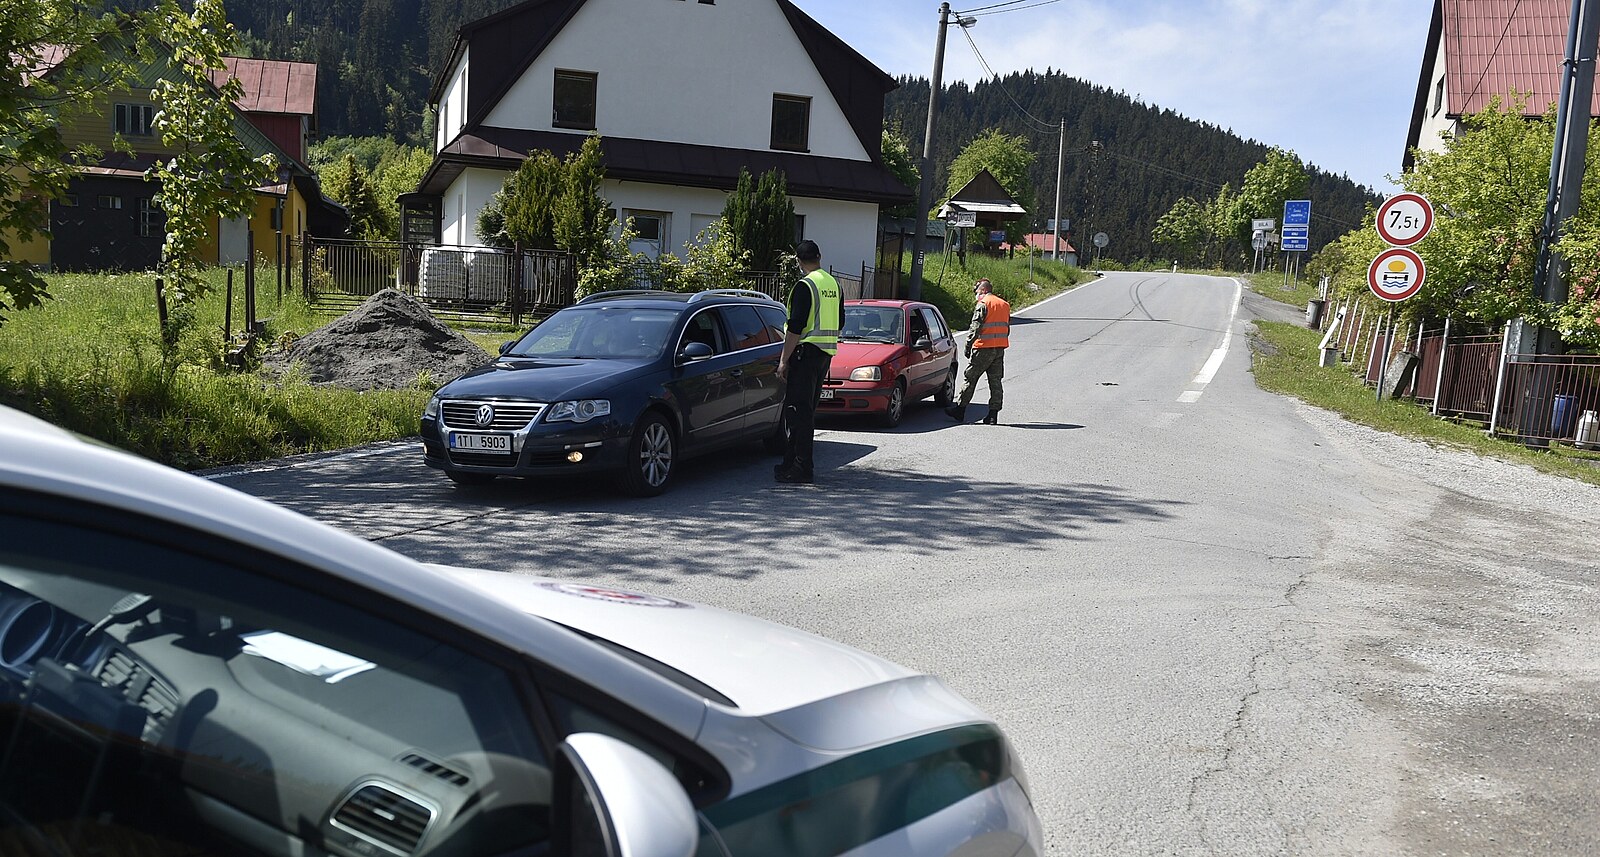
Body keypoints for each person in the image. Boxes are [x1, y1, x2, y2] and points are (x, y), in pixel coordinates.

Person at [774, 240, 841, 484]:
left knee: (798, 413)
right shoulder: (834, 284)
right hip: (824, 355)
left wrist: (784, 360)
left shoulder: (806, 286)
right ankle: (790, 462)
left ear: (798, 261)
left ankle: (802, 467)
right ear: (819, 256)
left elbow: (795, 327)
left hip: (805, 354)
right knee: (806, 411)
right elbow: (841, 321)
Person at [945, 277, 1010, 425]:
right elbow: (1007, 328)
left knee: (970, 378)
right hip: (999, 349)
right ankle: (993, 415)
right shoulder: (1004, 304)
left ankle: (960, 410)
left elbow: (975, 327)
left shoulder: (983, 304)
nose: (976, 294)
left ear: (984, 290)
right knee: (995, 381)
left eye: (977, 291)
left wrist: (968, 346)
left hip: (982, 349)